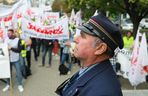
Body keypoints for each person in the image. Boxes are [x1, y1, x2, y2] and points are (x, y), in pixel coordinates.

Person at [56, 12, 123, 96]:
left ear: (100, 48)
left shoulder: (103, 92)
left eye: (82, 36)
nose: (75, 39)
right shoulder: (90, 69)